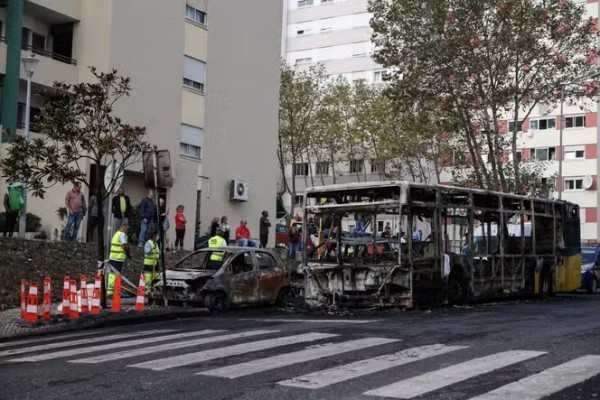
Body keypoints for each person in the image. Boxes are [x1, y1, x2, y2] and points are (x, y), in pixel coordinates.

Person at [107, 223, 130, 296]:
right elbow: (124, 245)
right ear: (123, 227)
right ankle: (113, 291)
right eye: (127, 229)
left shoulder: (116, 234)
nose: (127, 231)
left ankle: (110, 290)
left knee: (112, 274)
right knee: (116, 274)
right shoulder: (122, 234)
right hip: (118, 258)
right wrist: (128, 253)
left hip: (112, 257)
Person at [143, 229, 160, 293]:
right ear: (154, 236)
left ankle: (154, 290)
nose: (158, 236)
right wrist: (152, 248)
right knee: (148, 277)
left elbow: (157, 253)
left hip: (155, 263)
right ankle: (147, 291)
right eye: (157, 235)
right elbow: (147, 251)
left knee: (156, 276)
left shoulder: (155, 243)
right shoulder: (148, 243)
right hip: (149, 263)